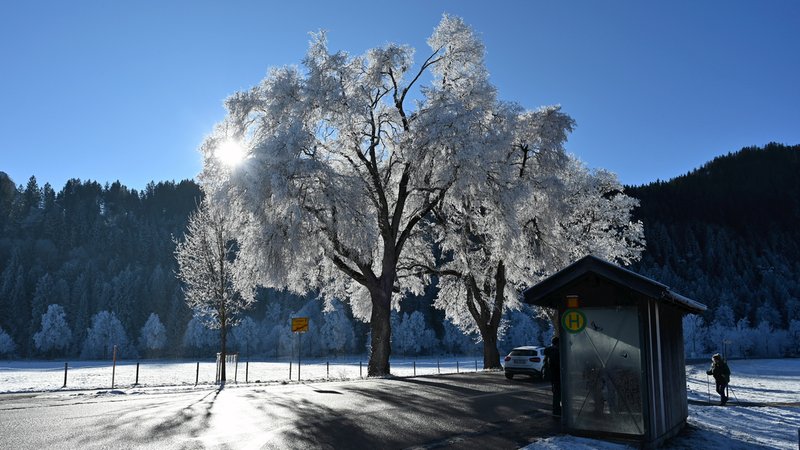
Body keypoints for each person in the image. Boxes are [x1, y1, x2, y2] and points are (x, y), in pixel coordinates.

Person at [543, 335, 561, 416]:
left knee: (556, 393)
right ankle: (557, 411)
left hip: (552, 376)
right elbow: (558, 365)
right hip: (557, 376)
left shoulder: (549, 351)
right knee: (558, 394)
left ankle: (556, 409)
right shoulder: (556, 352)